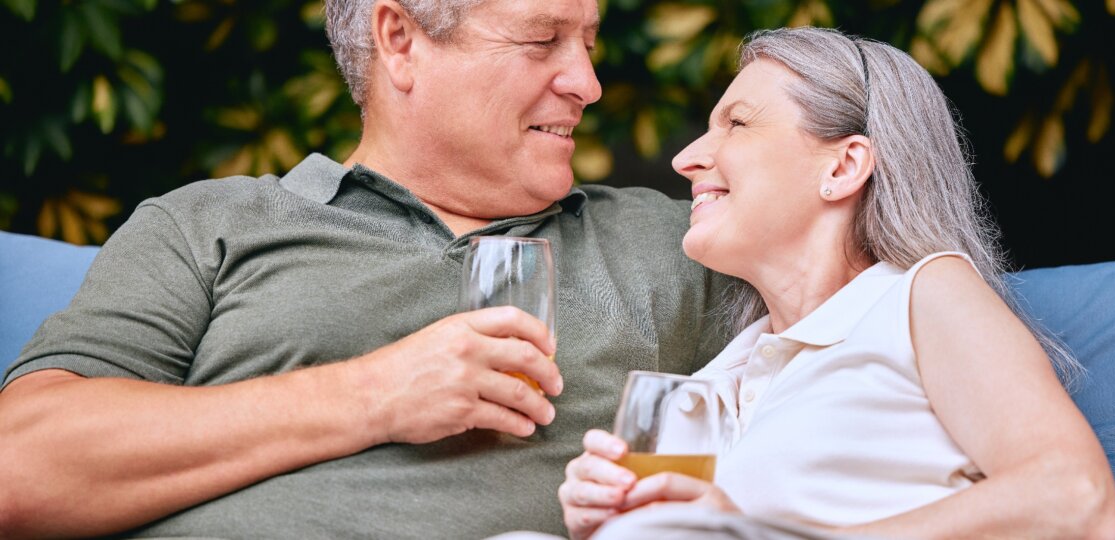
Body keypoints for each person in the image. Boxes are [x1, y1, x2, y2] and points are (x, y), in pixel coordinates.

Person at [0, 1, 736, 538]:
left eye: (588, 42)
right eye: (541, 40)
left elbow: (844, 360)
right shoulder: (208, 225)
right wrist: (372, 394)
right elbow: (19, 470)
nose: (588, 82)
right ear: (400, 40)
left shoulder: (677, 240)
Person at [558, 27, 1115, 539]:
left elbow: (1077, 499)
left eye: (736, 123)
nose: (685, 158)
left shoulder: (919, 295)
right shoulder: (711, 383)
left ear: (843, 167)